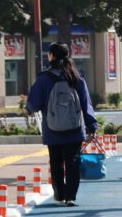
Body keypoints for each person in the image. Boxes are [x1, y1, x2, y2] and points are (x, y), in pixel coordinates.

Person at [25, 42, 98, 206]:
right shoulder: (76, 78)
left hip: (53, 129)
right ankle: (71, 196)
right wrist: (92, 126)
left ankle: (59, 195)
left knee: (56, 163)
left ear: (52, 56)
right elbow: (86, 105)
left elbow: (33, 104)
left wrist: (29, 108)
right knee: (72, 163)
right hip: (74, 129)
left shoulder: (44, 79)